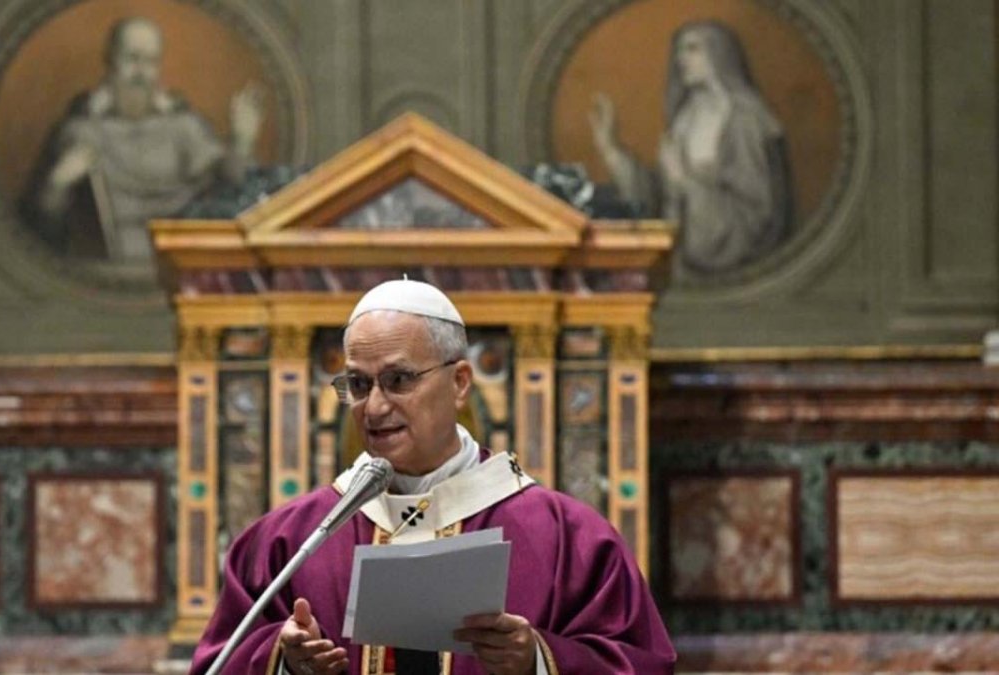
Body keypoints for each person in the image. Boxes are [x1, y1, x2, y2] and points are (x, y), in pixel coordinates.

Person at [189, 279, 675, 674]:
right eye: (358, 384)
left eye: (399, 380)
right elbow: (218, 662)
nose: (375, 407)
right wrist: (283, 661)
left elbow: (641, 663)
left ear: (460, 382)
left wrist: (538, 661)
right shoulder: (288, 541)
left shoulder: (569, 538)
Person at [20, 16, 264, 263]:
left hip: (182, 259)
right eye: (132, 58)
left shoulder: (184, 127)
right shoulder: (81, 131)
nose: (141, 73)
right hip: (110, 270)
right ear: (111, 61)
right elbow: (39, 227)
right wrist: (57, 185)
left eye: (150, 61)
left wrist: (242, 140)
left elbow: (238, 186)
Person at [589, 20, 791, 277]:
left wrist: (687, 183)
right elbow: (658, 197)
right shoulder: (685, 117)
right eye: (679, 50)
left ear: (719, 54)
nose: (680, 58)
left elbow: (757, 216)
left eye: (692, 49)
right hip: (679, 266)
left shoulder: (746, 118)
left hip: (727, 267)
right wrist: (609, 148)